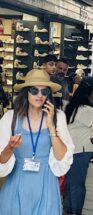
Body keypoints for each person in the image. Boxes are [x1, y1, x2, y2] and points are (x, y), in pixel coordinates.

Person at [0, 69, 74, 214]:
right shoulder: (11, 118)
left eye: (44, 91)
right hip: (16, 182)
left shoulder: (58, 117)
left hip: (46, 183)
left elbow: (62, 158)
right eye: (34, 90)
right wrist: (10, 148)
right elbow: (1, 161)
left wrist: (52, 128)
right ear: (26, 92)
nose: (39, 95)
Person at [63, 79, 93, 215]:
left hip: (69, 149)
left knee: (71, 182)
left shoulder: (70, 107)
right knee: (78, 184)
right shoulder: (88, 110)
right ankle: (76, 211)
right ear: (87, 95)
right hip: (82, 150)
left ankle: (68, 209)